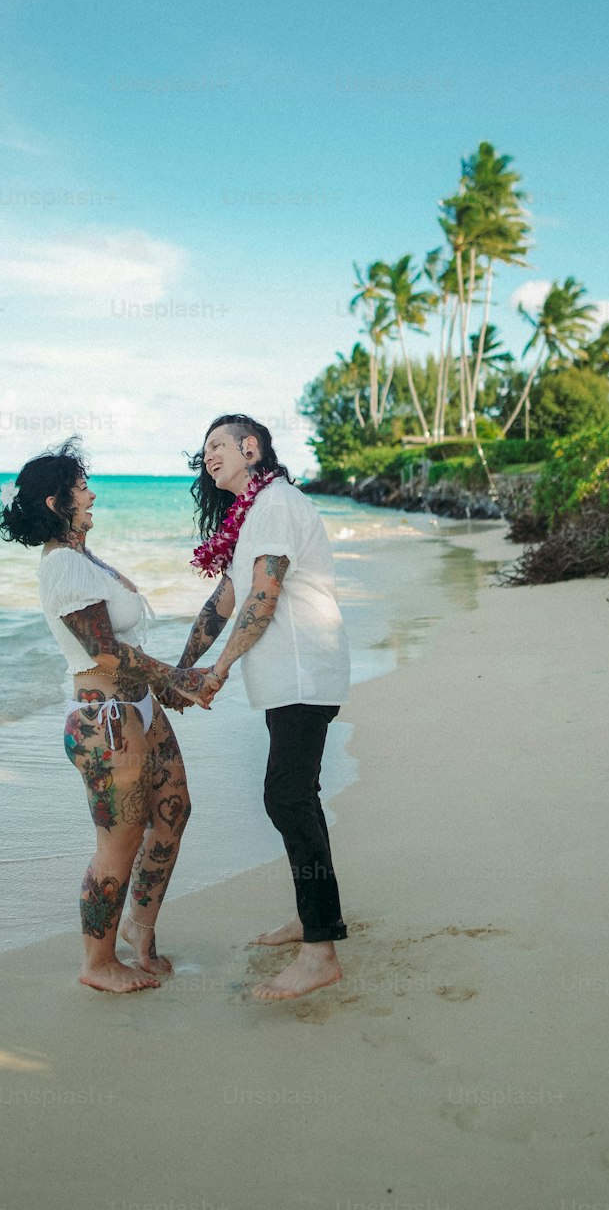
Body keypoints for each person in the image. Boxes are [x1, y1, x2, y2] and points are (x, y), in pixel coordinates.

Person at [0, 439, 211, 995]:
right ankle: (97, 961)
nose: (91, 494)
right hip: (105, 720)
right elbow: (103, 650)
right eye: (81, 487)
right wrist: (177, 677)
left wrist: (162, 690)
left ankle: (140, 935)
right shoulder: (63, 565)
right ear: (55, 503)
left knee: (173, 812)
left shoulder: (84, 558)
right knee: (119, 840)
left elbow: (121, 646)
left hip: (136, 707)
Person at [181, 414, 351, 1000]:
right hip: (289, 677)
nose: (209, 456)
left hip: (304, 671)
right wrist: (185, 668)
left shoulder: (275, 504)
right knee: (298, 796)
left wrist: (219, 669)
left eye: (218, 445)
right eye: (204, 450)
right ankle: (313, 920)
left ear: (251, 448)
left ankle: (321, 950)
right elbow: (225, 597)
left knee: (286, 796)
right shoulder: (252, 514)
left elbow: (264, 593)